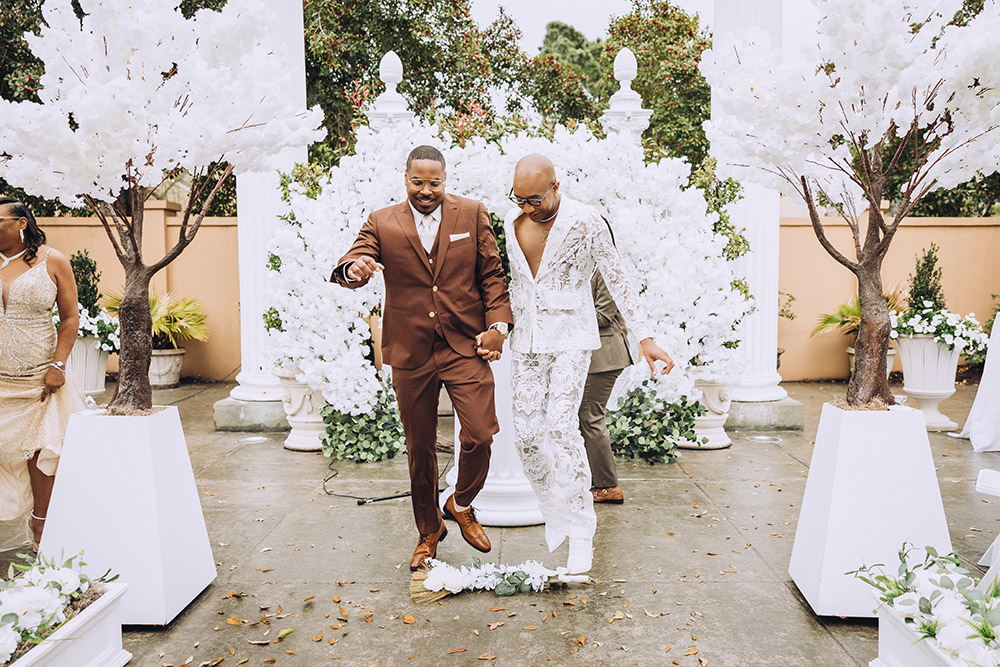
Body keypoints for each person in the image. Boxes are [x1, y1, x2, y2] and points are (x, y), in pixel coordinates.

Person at [331, 146, 513, 571]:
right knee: (419, 448)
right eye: (418, 182)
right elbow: (353, 258)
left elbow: (492, 274)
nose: (426, 190)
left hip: (463, 344)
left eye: (435, 182)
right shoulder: (382, 220)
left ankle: (462, 501)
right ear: (406, 179)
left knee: (481, 433)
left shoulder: (471, 213)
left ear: (445, 179)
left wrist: (498, 326)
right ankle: (429, 530)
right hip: (410, 349)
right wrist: (354, 269)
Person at [494, 154, 673, 574]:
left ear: (556, 186)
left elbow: (617, 277)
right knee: (524, 434)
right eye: (518, 199)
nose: (526, 208)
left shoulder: (586, 220)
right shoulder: (510, 220)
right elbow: (516, 284)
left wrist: (645, 338)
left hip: (572, 338)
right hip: (527, 342)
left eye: (534, 199)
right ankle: (555, 508)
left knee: (561, 426)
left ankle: (581, 532)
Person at [0, 197, 83, 550]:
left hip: (39, 377)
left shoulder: (53, 261)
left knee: (41, 454)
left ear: (20, 223)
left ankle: (41, 528)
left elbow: (70, 318)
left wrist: (58, 365)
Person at [580, 269, 632, 505]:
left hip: (605, 356)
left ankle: (608, 487)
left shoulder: (607, 271)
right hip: (595, 355)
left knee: (589, 417)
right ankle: (594, 480)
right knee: (583, 417)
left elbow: (602, 316)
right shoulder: (584, 267)